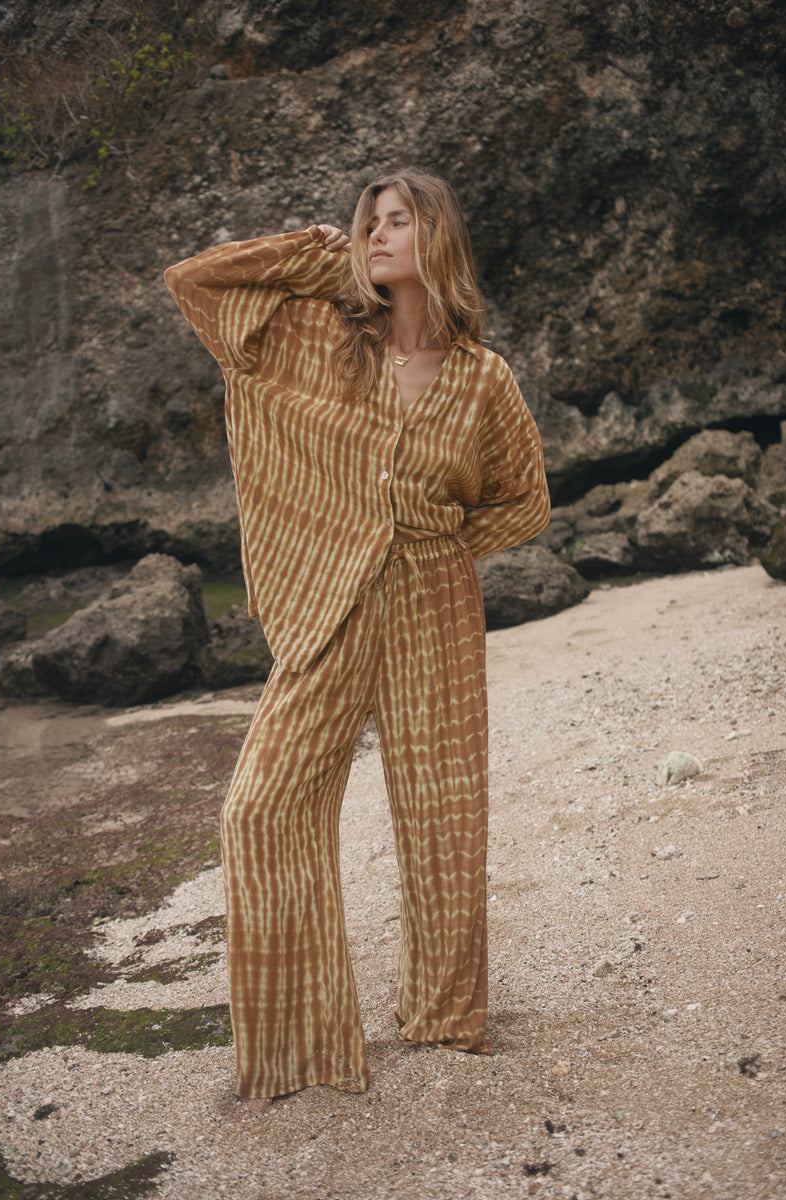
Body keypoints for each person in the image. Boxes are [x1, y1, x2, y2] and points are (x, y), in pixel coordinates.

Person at [164, 169, 550, 1116]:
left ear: (438, 237)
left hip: (434, 600)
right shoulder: (318, 339)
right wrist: (304, 254)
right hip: (332, 593)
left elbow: (526, 500)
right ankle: (299, 1045)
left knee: (443, 817)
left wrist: (446, 543)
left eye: (396, 221)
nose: (375, 235)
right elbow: (197, 287)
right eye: (366, 223)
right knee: (261, 807)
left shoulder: (482, 377)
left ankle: (448, 1016)